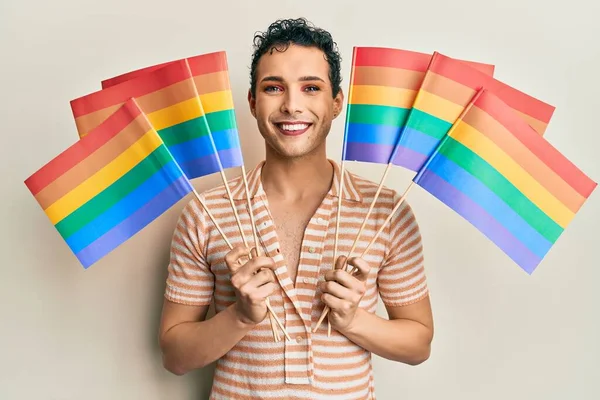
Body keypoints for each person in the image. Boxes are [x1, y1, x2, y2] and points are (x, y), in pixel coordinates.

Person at [158, 17, 434, 399]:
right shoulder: (206, 212)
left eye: (311, 88)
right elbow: (175, 357)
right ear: (253, 102)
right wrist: (238, 316)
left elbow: (419, 344)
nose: (292, 105)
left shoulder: (386, 210)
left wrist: (354, 320)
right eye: (274, 88)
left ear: (335, 102)